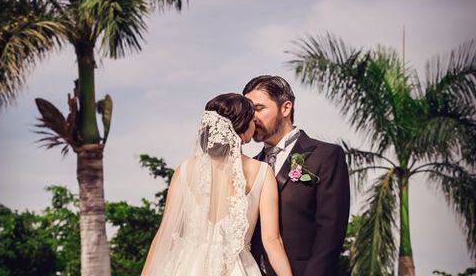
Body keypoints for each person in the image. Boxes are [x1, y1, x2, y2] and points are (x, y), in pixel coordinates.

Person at [141, 93, 293, 276]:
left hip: (185, 267)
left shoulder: (184, 171)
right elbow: (272, 241)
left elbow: (164, 234)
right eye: (252, 120)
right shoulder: (261, 172)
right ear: (243, 132)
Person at [244, 75, 350, 276]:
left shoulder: (326, 156)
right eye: (249, 111)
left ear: (286, 108)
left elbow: (330, 233)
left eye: (259, 108)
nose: (252, 117)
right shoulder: (250, 167)